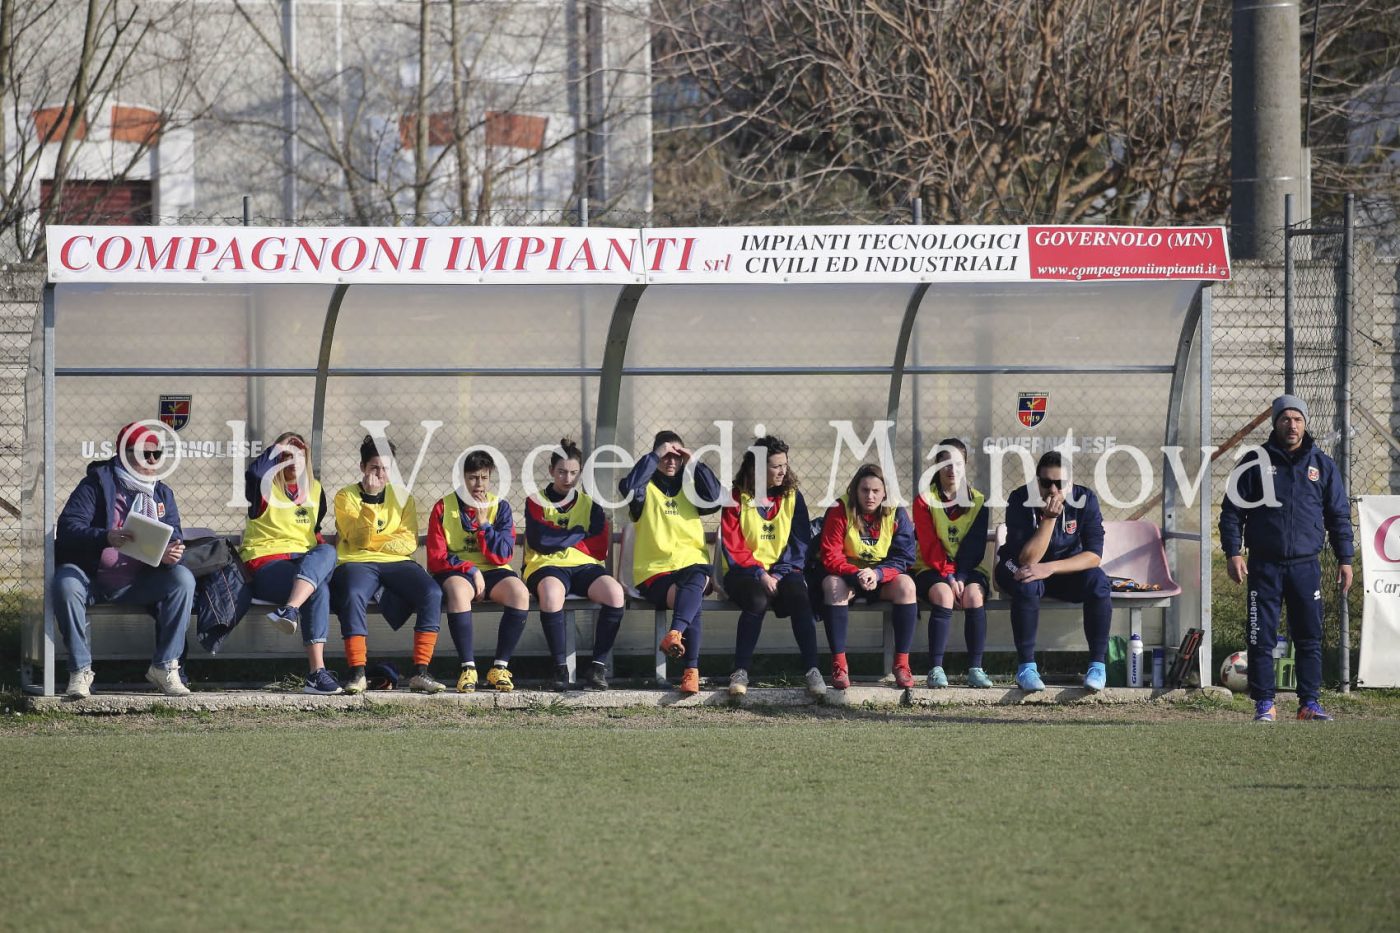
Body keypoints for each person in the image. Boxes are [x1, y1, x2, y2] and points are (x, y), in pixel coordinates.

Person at [1219, 394, 1353, 722]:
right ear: (1275, 422)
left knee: (1309, 636)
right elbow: (1232, 512)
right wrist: (1233, 551)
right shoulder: (1254, 463)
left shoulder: (1322, 465)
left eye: (1297, 420)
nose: (1291, 425)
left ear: (1305, 424)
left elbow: (1338, 516)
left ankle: (1309, 703)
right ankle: (1265, 703)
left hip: (1305, 566)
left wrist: (1345, 558)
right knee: (1260, 637)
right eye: (1285, 419)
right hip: (1264, 565)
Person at [53, 422, 194, 698]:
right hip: (91, 577)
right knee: (66, 584)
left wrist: (170, 554)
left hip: (140, 581)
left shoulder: (162, 492)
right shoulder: (96, 484)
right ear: (123, 454)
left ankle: (165, 666)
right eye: (144, 453)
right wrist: (105, 537)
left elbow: (174, 535)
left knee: (183, 579)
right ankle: (80, 670)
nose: (152, 460)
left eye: (157, 454)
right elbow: (69, 527)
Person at [330, 434, 445, 695]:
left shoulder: (403, 497)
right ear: (362, 467)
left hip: (397, 562)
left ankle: (420, 672)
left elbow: (408, 543)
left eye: (385, 468)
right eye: (374, 468)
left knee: (432, 592)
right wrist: (370, 500)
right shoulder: (345, 496)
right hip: (357, 562)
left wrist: (373, 542)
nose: (380, 475)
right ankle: (357, 672)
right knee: (353, 594)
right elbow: (358, 540)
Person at [994, 450, 1111, 693]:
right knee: (1027, 581)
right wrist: (1048, 519)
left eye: (1060, 483)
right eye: (1046, 483)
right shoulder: (1020, 498)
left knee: (1098, 581)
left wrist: (1050, 568)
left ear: (1071, 482)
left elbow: (1094, 555)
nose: (1053, 490)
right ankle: (1026, 668)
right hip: (1017, 565)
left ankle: (1097, 666)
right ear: (1037, 482)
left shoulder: (1085, 498)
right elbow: (1027, 559)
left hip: (1059, 570)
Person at [719, 435, 826, 697]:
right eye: (776, 466)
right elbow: (734, 545)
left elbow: (800, 543)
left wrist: (777, 573)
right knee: (757, 600)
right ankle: (740, 672)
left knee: (800, 597)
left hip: (784, 570)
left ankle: (813, 671)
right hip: (743, 572)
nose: (783, 471)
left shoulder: (792, 497)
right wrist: (760, 573)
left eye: (785, 465)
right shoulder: (736, 497)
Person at [619, 430, 722, 696]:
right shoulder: (644, 489)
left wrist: (694, 462)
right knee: (692, 599)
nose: (671, 461)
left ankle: (675, 635)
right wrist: (654, 456)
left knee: (695, 583)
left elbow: (716, 497)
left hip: (692, 565)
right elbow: (628, 489)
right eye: (666, 455)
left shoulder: (690, 487)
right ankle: (691, 670)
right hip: (655, 571)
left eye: (677, 456)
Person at [241, 432, 342, 695]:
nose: (293, 461)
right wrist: (278, 447)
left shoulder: (315, 490)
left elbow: (314, 530)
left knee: (327, 552)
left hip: (303, 565)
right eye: (286, 456)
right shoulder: (263, 486)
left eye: (298, 455)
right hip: (267, 565)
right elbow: (254, 473)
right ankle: (317, 673)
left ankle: (290, 610)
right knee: (318, 589)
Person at [522, 438, 626, 690]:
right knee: (551, 594)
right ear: (551, 471)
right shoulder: (535, 501)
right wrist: (579, 533)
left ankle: (597, 667)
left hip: (584, 567)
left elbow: (598, 547)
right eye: (561, 472)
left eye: (573, 472)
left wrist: (558, 537)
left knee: (615, 594)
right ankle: (560, 668)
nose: (567, 478)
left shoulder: (590, 505)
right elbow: (540, 541)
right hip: (545, 566)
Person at [426, 449, 532, 693]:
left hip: (494, 570)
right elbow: (436, 558)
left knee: (519, 593)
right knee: (457, 592)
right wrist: (471, 569)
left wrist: (484, 525)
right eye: (473, 477)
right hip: (458, 570)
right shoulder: (443, 507)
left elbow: (503, 555)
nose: (479, 484)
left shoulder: (500, 507)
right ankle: (468, 668)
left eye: (484, 477)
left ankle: (500, 667)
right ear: (462, 478)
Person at [816, 463, 917, 690]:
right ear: (855, 490)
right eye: (864, 490)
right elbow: (830, 554)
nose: (870, 496)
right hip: (847, 576)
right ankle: (839, 666)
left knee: (907, 586)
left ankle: (901, 665)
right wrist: (855, 574)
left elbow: (905, 556)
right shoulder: (839, 508)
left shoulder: (896, 512)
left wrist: (878, 573)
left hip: (880, 577)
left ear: (884, 493)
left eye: (875, 491)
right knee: (832, 586)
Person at [912, 438, 993, 689]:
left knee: (974, 596)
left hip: (968, 569)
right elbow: (929, 544)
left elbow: (975, 545)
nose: (952, 469)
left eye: (958, 463)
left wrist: (962, 575)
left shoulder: (978, 501)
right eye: (945, 463)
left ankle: (975, 669)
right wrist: (949, 575)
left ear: (965, 465)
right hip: (930, 567)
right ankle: (935, 669)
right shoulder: (924, 500)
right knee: (944, 596)